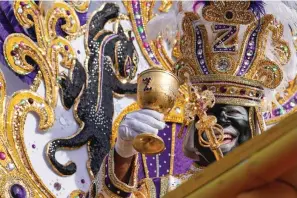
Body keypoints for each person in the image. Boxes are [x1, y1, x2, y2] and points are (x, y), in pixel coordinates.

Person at [86, 1, 297, 197]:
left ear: (254, 123)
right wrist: (123, 153)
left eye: (233, 112)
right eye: (210, 111)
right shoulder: (162, 190)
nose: (218, 121)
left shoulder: (278, 189)